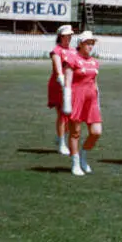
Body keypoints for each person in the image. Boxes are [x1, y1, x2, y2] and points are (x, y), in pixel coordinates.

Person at [62, 31, 102, 176]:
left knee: (96, 132)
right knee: (75, 132)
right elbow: (67, 82)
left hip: (91, 100)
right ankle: (76, 163)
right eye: (88, 43)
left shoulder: (94, 62)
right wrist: (67, 102)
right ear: (80, 44)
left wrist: (98, 99)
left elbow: (95, 82)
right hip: (76, 98)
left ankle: (83, 154)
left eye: (92, 43)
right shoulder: (72, 59)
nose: (90, 46)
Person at [47, 25, 76, 155]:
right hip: (59, 86)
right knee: (62, 115)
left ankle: (60, 138)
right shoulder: (56, 51)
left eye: (70, 35)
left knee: (71, 116)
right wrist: (65, 88)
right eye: (66, 35)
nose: (69, 37)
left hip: (72, 86)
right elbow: (58, 71)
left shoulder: (74, 50)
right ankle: (62, 143)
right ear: (60, 36)